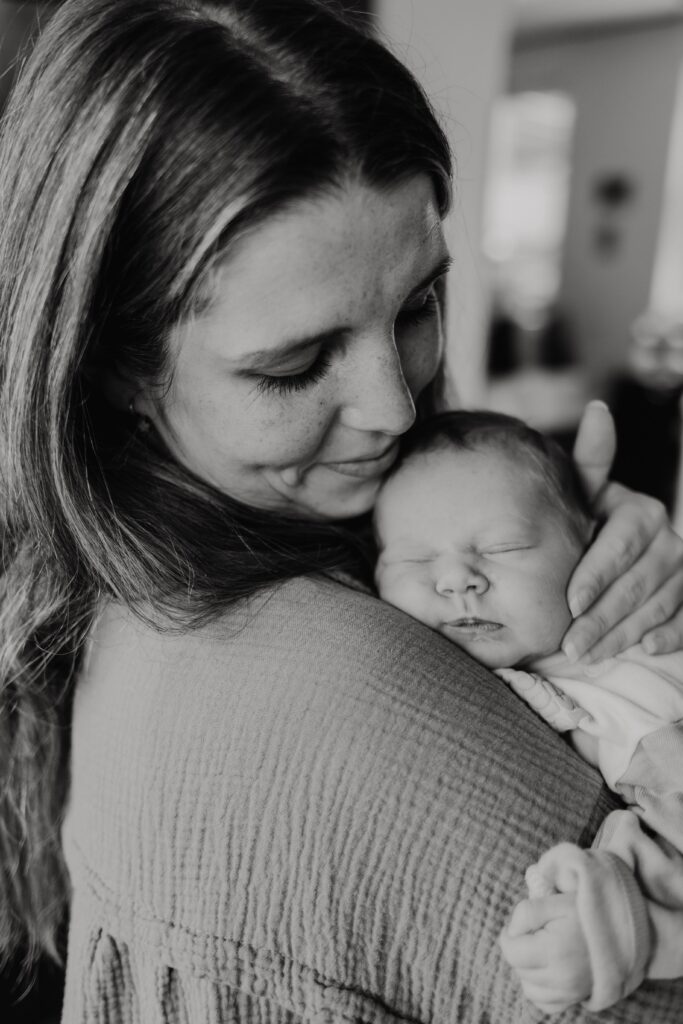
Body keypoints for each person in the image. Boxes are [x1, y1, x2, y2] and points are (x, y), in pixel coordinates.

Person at [2, 1, 683, 1021]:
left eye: (415, 309)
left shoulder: (136, 599)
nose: (393, 405)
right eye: (294, 363)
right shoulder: (340, 684)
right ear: (112, 369)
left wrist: (573, 565)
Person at [374, 409, 683, 1015]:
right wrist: (608, 925)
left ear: (593, 545)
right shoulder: (517, 699)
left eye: (503, 547)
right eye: (414, 562)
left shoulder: (644, 605)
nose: (457, 578)